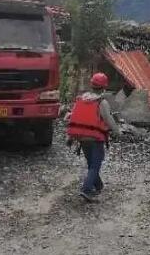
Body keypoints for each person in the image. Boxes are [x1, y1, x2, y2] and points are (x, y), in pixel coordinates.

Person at [66, 72, 119, 202]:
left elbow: (75, 117)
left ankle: (98, 185)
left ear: (91, 85)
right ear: (104, 88)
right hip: (95, 139)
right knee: (95, 165)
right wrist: (118, 132)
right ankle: (86, 190)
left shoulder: (81, 99)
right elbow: (108, 119)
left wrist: (70, 137)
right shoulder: (102, 102)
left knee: (91, 163)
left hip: (81, 138)